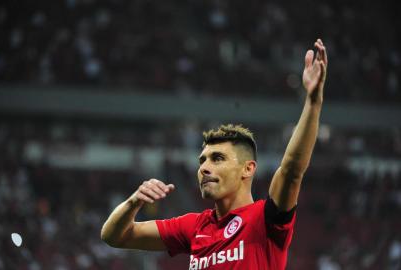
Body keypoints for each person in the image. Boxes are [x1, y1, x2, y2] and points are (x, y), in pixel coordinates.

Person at [101, 39, 328, 270]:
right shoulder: (194, 227)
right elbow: (115, 236)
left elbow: (291, 169)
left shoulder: (265, 220)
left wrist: (313, 101)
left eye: (217, 158)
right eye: (202, 160)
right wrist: (134, 202)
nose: (204, 167)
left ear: (248, 168)